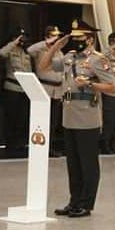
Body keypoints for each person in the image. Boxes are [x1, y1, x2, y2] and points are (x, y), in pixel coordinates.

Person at [38, 20, 115, 218]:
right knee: (73, 164)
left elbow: (112, 87)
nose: (76, 41)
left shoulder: (98, 60)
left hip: (87, 117)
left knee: (87, 163)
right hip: (69, 115)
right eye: (74, 38)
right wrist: (55, 47)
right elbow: (43, 66)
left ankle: (86, 204)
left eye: (80, 38)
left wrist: (89, 84)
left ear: (89, 39)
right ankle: (74, 201)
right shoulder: (69, 57)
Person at [28, 25, 66, 157]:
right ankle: (40, 147)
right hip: (44, 88)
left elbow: (60, 72)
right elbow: (29, 50)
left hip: (57, 90)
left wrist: (62, 92)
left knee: (53, 122)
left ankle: (50, 147)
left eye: (57, 36)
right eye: (53, 36)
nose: (56, 38)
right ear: (47, 36)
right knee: (42, 121)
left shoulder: (59, 52)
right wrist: (46, 43)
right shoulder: (41, 49)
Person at [0, 27, 33, 158]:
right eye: (20, 37)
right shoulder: (10, 50)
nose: (22, 40)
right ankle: (10, 145)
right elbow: (1, 53)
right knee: (11, 118)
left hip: (25, 89)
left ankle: (20, 144)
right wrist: (14, 43)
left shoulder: (27, 52)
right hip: (12, 87)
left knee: (22, 119)